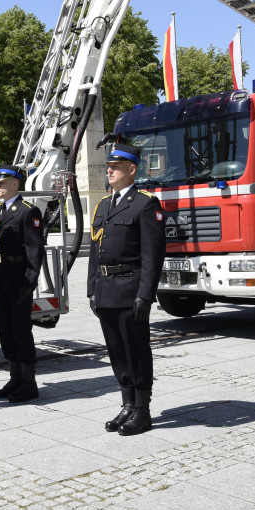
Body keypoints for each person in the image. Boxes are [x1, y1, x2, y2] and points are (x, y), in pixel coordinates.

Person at [88, 143, 165, 436]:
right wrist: (91, 289)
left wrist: (145, 295)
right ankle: (127, 404)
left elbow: (152, 256)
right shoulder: (104, 205)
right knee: (117, 352)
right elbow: (96, 252)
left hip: (130, 289)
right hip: (106, 289)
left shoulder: (145, 204)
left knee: (136, 350)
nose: (109, 170)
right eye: (109, 166)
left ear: (132, 170)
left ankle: (142, 410)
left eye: (116, 166)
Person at [0, 164, 45, 403]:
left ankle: (29, 382)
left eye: (1, 183)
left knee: (21, 331)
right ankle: (15, 377)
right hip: (0, 276)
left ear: (15, 184)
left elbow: (35, 251)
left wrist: (29, 284)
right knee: (5, 329)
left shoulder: (27, 211)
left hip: (18, 278)